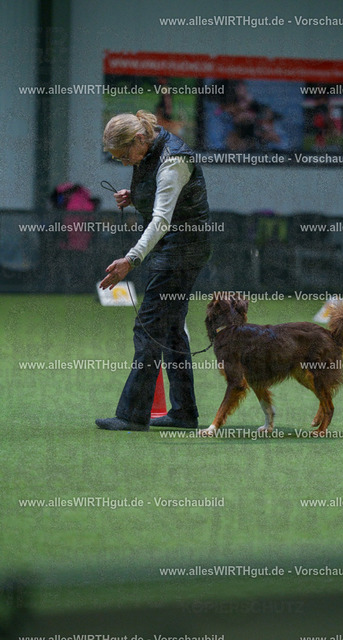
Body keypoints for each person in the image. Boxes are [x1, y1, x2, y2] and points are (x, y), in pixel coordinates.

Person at [96, 110, 211, 431]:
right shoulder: (149, 150)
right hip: (178, 248)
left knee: (148, 328)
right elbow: (165, 197)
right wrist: (135, 197)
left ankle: (132, 416)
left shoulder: (174, 159)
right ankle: (184, 413)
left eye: (124, 155)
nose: (124, 163)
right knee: (171, 330)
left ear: (139, 139)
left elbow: (162, 219)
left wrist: (130, 259)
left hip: (182, 249)